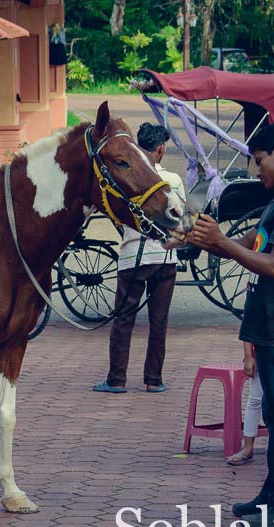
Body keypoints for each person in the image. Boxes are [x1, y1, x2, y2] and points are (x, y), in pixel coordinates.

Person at [186, 124, 274, 527]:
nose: (256, 172)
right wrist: (200, 239)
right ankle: (273, 495)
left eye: (259, 162)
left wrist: (221, 244)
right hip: (269, 325)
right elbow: (249, 242)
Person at [92, 123, 183, 394]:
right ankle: (153, 379)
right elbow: (186, 220)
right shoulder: (173, 180)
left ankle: (117, 379)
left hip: (134, 259)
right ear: (161, 149)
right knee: (159, 321)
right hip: (166, 259)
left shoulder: (126, 176)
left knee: (123, 320)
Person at [225, 341, 264, 465]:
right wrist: (249, 357)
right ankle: (248, 448)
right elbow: (248, 327)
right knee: (255, 400)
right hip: (262, 351)